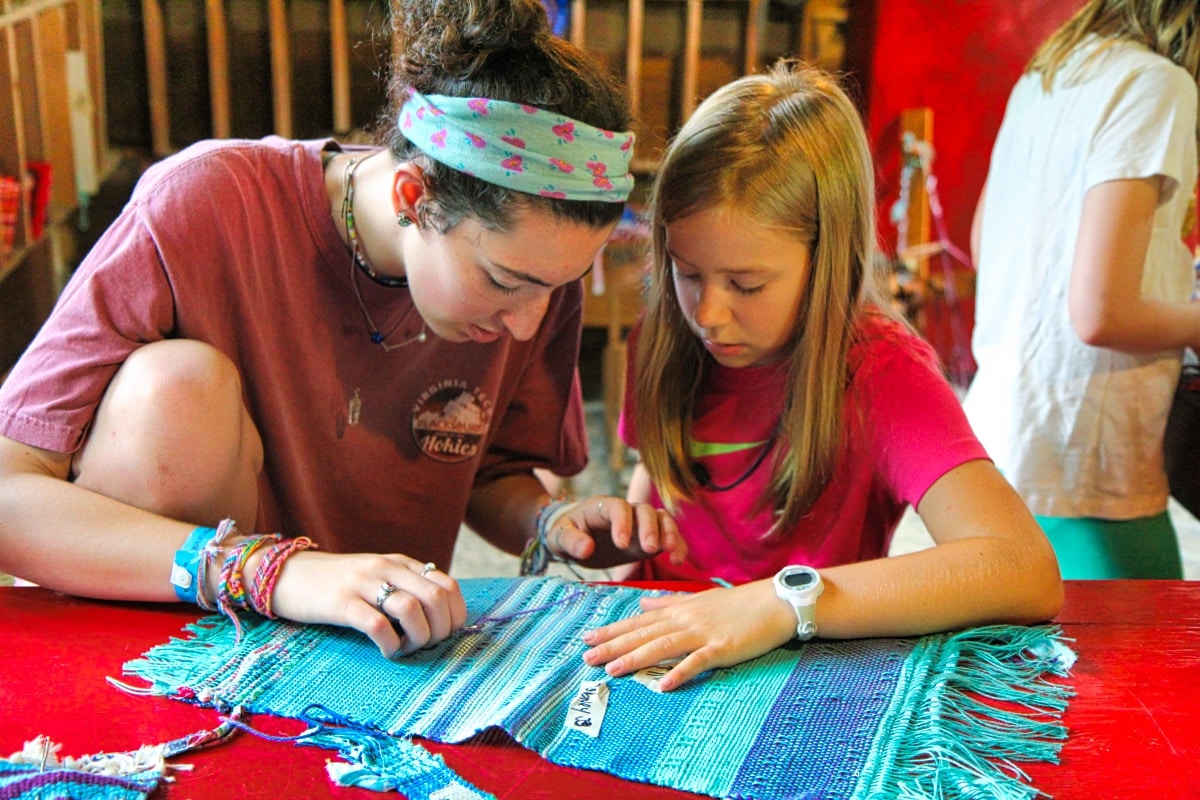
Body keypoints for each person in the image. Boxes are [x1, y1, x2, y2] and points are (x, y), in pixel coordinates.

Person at [0, 0, 682, 660]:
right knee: (174, 387)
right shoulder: (203, 205)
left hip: (379, 642)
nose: (527, 321)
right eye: (506, 283)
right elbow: (10, 496)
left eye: (556, 287)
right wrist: (276, 574)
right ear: (414, 197)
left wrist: (547, 520)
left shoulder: (534, 273)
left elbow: (482, 468)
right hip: (193, 614)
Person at [578, 60, 1064, 692]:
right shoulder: (668, 336)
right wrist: (627, 533)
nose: (708, 313)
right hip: (658, 662)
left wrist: (783, 602)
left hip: (795, 679)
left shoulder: (881, 371)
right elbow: (661, 486)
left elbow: (1021, 567)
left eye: (746, 284)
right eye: (687, 272)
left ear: (828, 259)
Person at [962, 0, 1200, 579]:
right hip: (1087, 459)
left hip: (1003, 436)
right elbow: (1100, 313)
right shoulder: (1156, 83)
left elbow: (982, 245)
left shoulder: (1046, 75)